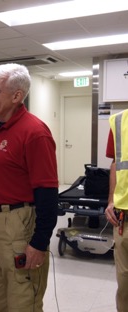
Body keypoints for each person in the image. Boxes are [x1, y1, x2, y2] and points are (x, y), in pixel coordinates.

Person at [0, 63, 59, 312]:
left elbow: (47, 192)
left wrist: (40, 243)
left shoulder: (35, 132)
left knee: (23, 301)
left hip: (19, 225)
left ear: (16, 96)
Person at [105, 111, 128, 312]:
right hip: (123, 219)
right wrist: (111, 200)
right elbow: (115, 163)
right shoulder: (119, 120)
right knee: (124, 285)